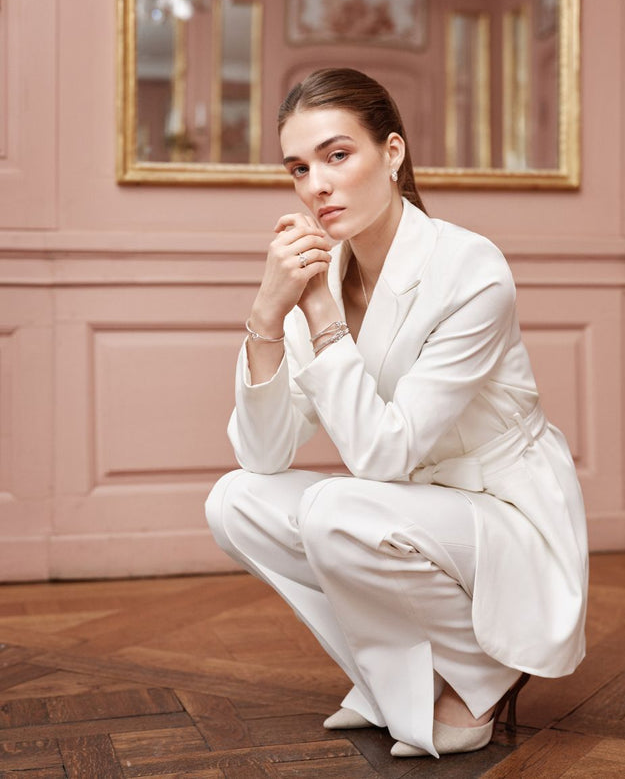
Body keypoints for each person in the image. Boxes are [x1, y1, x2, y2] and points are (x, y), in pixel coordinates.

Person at [205, 67, 588, 759]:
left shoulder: (470, 270)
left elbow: (383, 456)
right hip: (411, 504)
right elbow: (263, 455)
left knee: (335, 509)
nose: (317, 185)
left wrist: (319, 313)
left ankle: (483, 672)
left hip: (501, 510)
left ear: (392, 153)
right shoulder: (324, 273)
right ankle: (392, 678)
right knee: (236, 501)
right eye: (299, 168)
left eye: (337, 155)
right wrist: (266, 316)